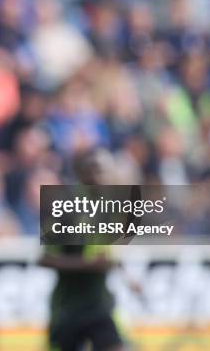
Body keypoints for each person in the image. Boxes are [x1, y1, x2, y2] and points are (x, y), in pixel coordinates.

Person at [39, 149, 126, 351]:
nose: (102, 176)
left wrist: (125, 275)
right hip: (68, 307)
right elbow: (45, 259)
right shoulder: (64, 208)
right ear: (82, 173)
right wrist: (87, 265)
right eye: (96, 170)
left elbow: (104, 254)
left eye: (106, 170)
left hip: (99, 303)